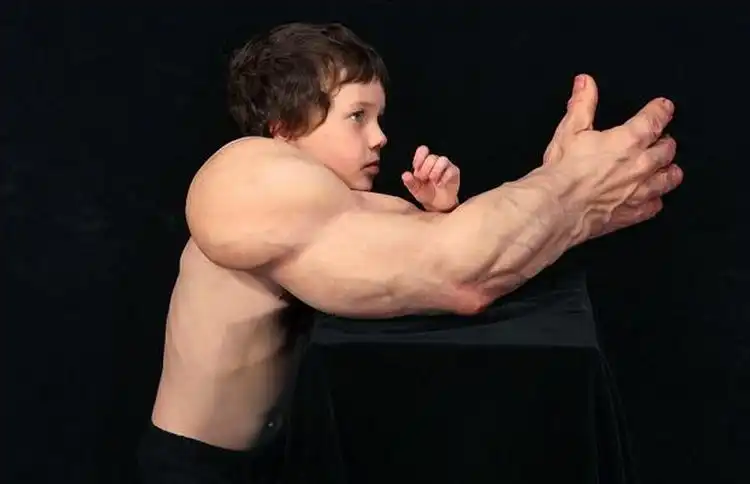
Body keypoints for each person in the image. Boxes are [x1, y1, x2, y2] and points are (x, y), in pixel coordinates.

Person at [137, 22, 682, 483]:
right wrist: (570, 186)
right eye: (357, 116)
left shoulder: (331, 204)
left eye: (378, 118)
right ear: (284, 126)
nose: (379, 138)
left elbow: (450, 253)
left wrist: (476, 203)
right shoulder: (244, 177)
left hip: (268, 460)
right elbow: (460, 272)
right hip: (196, 471)